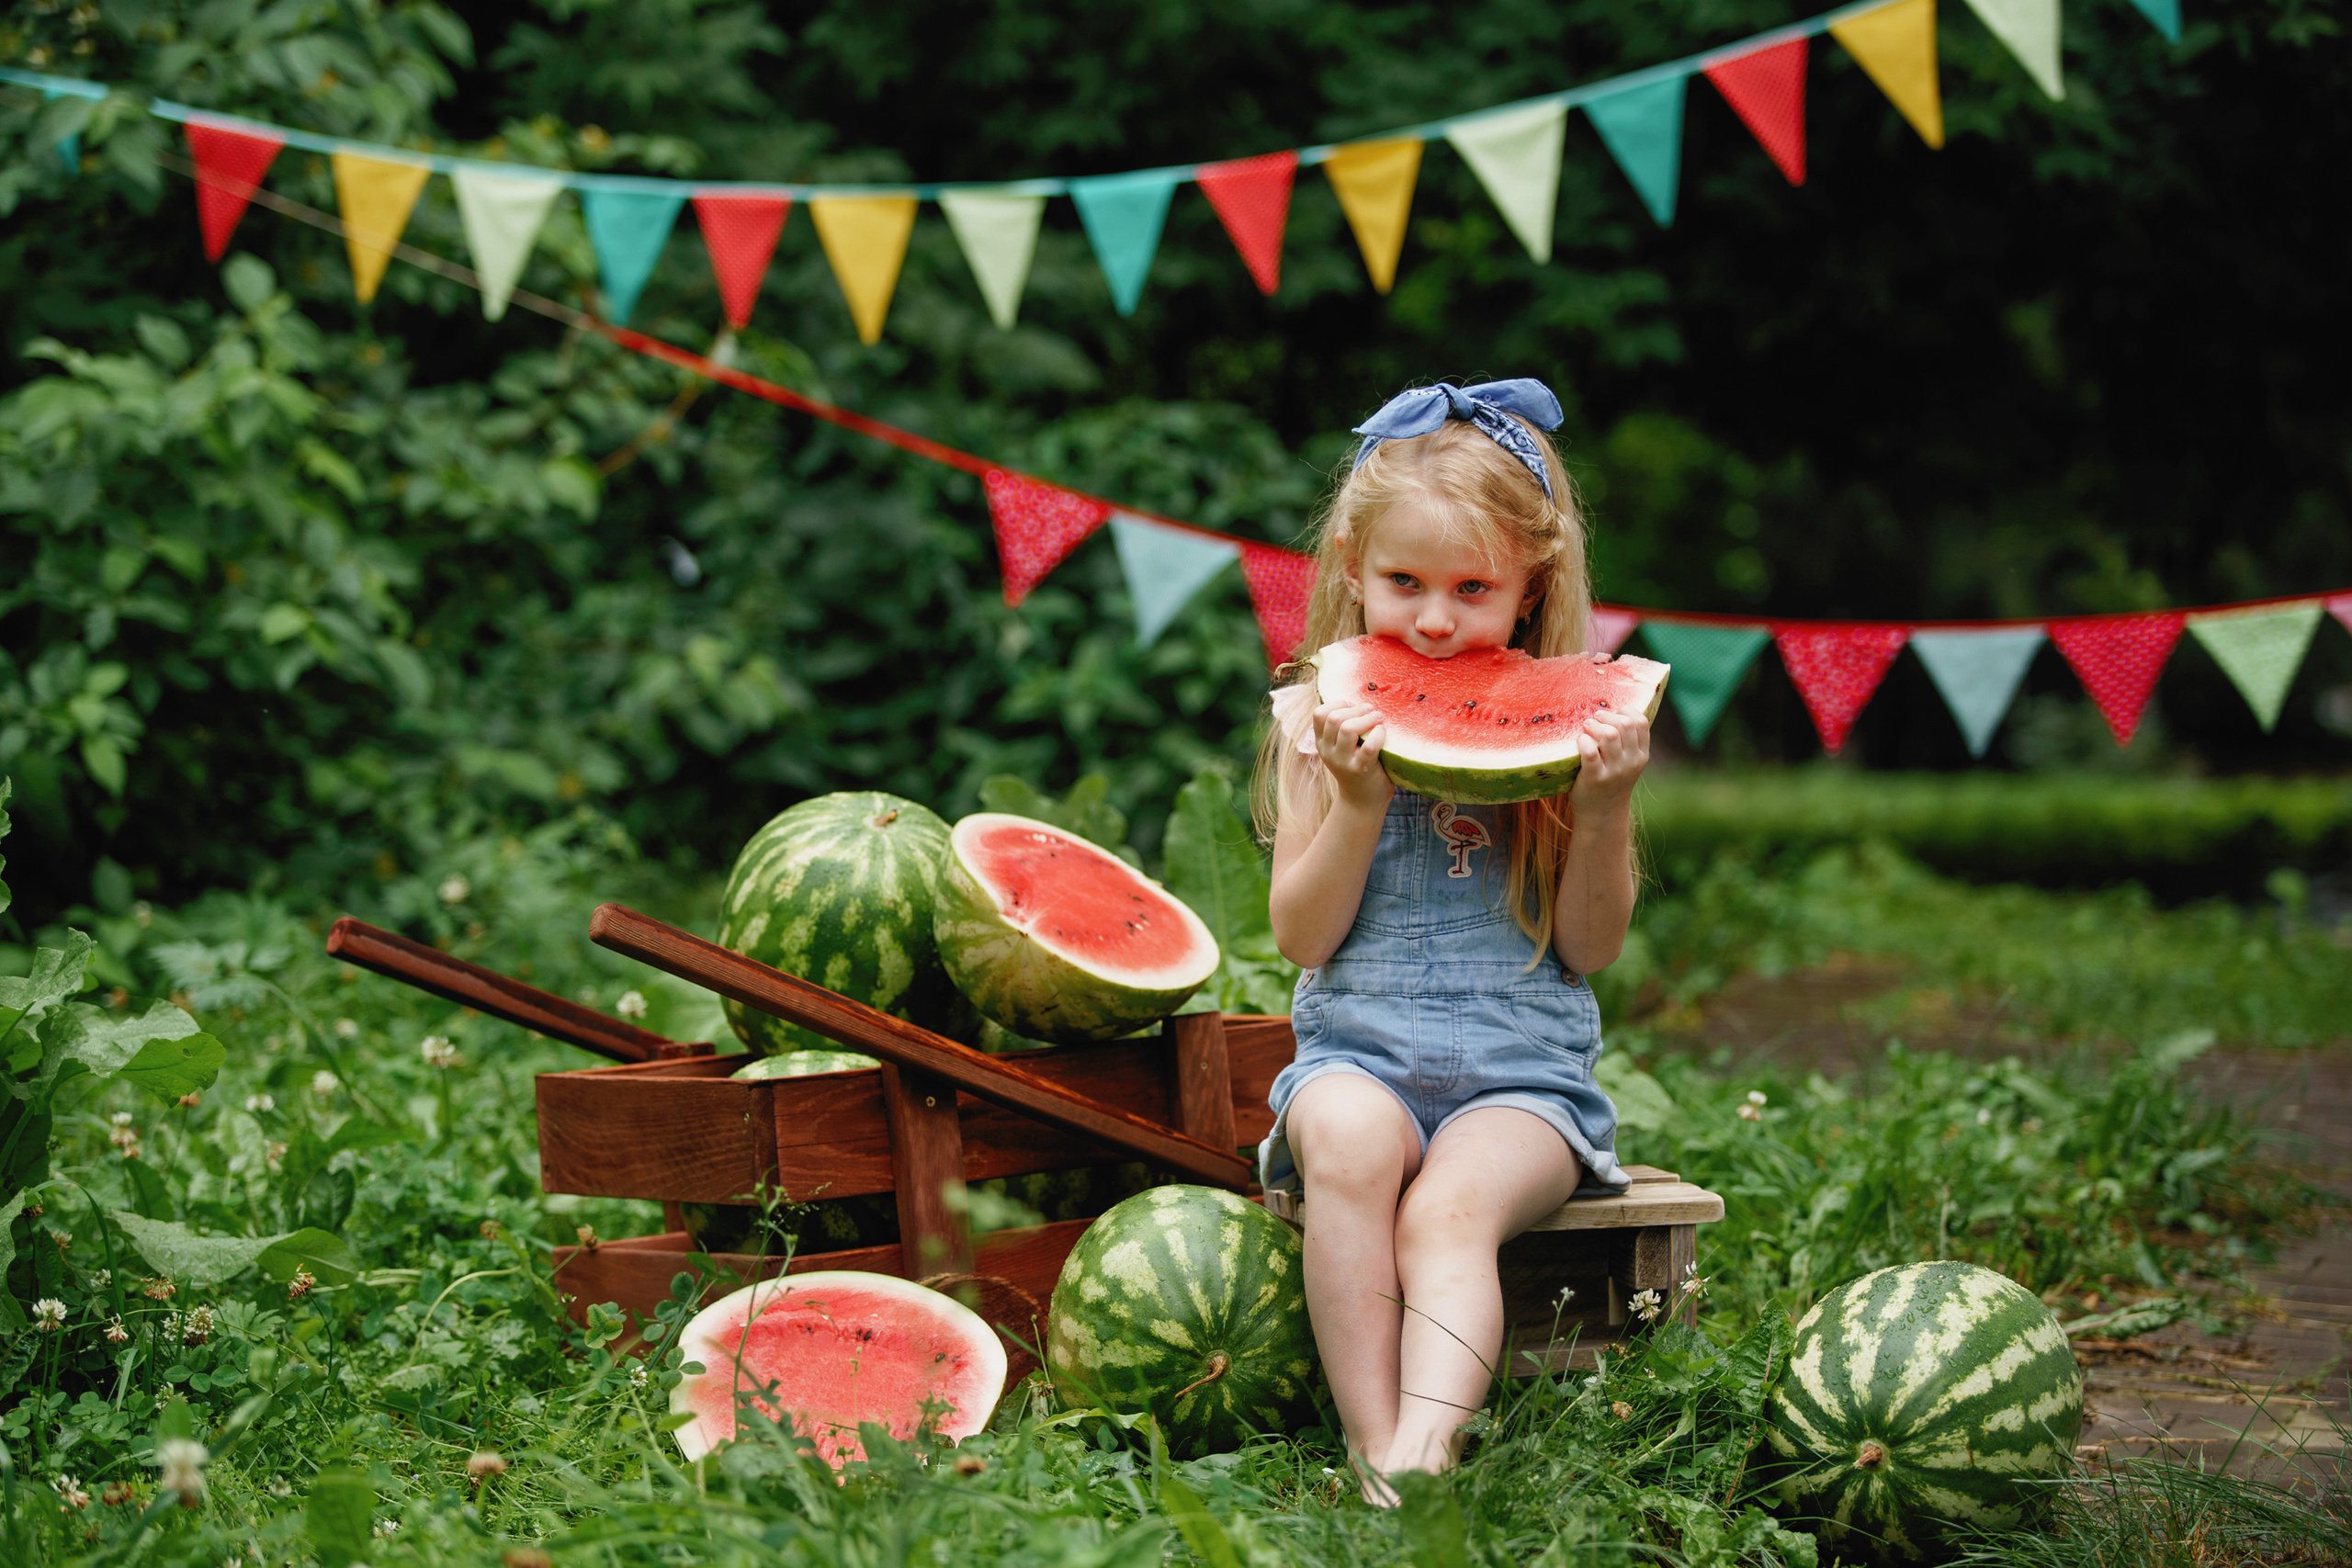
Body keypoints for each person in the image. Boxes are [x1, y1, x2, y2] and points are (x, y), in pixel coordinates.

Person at [1252, 379, 1650, 1501]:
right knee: (1343, 1147)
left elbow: (1590, 948)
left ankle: (1426, 1453)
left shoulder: (1571, 736)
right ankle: (1373, 1449)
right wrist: (1355, 803)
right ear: (1350, 567)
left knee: (1447, 1211)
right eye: (1404, 584)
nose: (1433, 621)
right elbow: (1301, 935)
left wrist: (1604, 808)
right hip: (1358, 1061)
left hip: (1521, 1085)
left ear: (1531, 591)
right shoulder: (1319, 726)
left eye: (1472, 590)